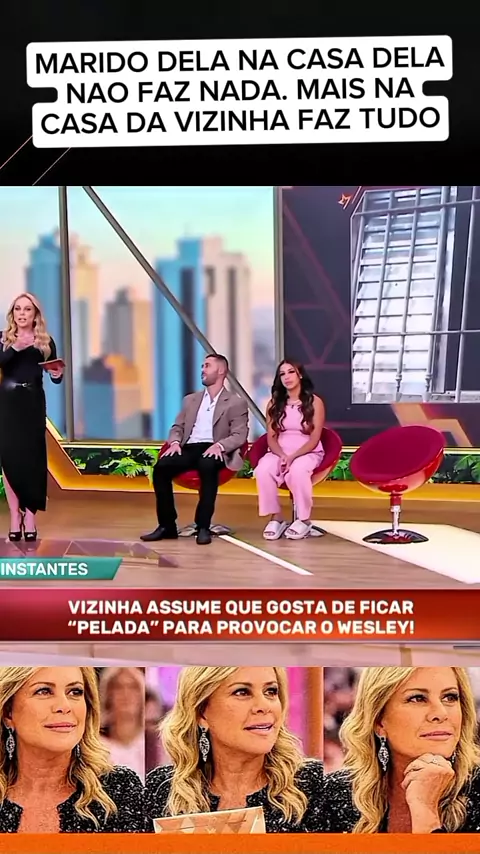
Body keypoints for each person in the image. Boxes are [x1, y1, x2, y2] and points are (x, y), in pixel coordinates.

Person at [145, 666, 325, 833]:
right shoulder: (162, 788)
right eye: (242, 692)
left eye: (271, 691)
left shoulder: (315, 785)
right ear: (201, 712)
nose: (264, 706)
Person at [323, 666, 480, 834]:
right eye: (417, 698)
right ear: (379, 721)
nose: (441, 713)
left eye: (450, 697)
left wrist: (426, 811)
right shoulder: (332, 795)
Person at [0, 666, 146, 833]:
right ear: (8, 712)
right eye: (44, 691)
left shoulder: (121, 790)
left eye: (75, 692)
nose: (65, 706)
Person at [141, 354, 248, 546]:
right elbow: (177, 427)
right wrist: (175, 443)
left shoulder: (235, 402)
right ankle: (167, 526)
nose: (202, 370)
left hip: (216, 448)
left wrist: (220, 446)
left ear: (221, 370)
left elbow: (240, 435)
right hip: (189, 447)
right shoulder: (190, 400)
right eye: (202, 366)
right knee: (161, 468)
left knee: (207, 465)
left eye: (207, 366)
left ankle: (203, 526)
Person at [0, 293, 64, 542]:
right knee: (10, 460)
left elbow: (55, 376)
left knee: (33, 459)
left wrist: (57, 374)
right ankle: (14, 516)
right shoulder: (4, 339)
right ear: (12, 313)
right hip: (8, 404)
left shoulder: (45, 341)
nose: (22, 314)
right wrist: (16, 346)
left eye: (27, 309)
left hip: (33, 403)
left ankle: (30, 516)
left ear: (35, 314)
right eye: (18, 309)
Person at [254, 360, 325, 540]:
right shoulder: (274, 404)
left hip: (307, 451)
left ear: (300, 375)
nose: (287, 377)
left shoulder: (315, 402)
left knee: (298, 470)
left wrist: (293, 457)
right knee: (263, 470)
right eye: (282, 374)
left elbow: (315, 438)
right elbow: (271, 437)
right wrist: (282, 455)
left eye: (291, 372)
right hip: (279, 451)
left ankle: (304, 520)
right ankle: (276, 518)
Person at [99, 668, 145, 780]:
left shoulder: (154, 742)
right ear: (108, 694)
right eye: (119, 687)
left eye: (133, 687)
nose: (126, 694)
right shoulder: (95, 746)